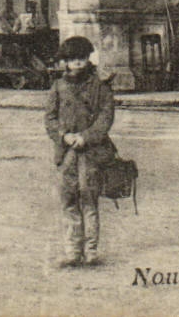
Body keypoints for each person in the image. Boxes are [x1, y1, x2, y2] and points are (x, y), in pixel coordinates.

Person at [42, 35, 116, 267]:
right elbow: (50, 117)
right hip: (65, 153)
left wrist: (86, 137)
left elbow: (106, 117)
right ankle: (73, 251)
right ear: (65, 61)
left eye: (82, 58)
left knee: (89, 200)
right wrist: (64, 136)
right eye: (72, 59)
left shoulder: (100, 86)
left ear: (88, 58)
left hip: (91, 152)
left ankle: (91, 251)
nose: (77, 63)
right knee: (68, 200)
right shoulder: (58, 86)